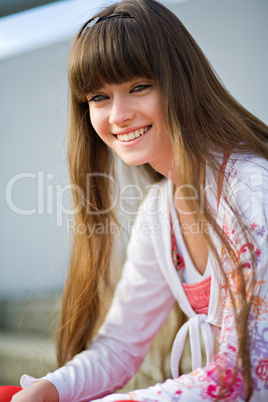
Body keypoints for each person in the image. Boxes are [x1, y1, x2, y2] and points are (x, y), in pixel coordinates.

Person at [3, 0, 268, 401]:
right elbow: (120, 347)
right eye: (98, 97)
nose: (118, 115)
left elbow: (244, 375)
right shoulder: (160, 210)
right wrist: (51, 390)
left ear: (182, 81)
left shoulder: (251, 191)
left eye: (138, 87)